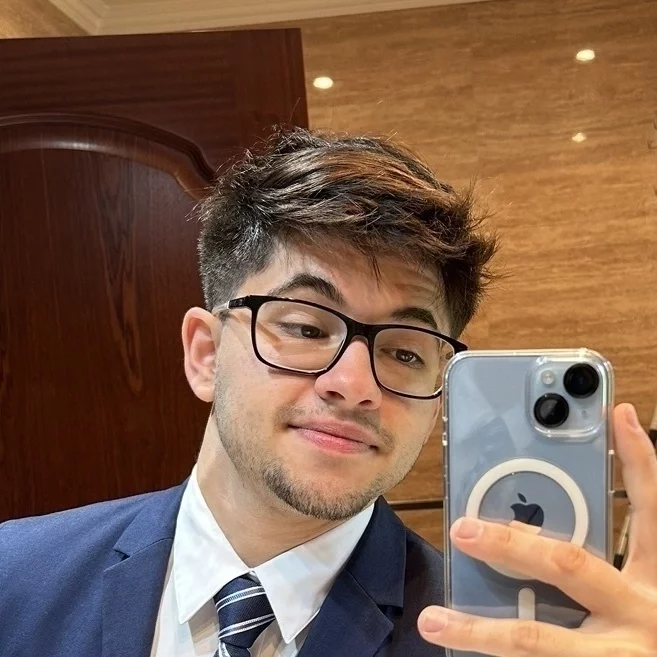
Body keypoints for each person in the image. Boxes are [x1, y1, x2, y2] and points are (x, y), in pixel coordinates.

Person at [0, 127, 655, 657]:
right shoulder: (15, 579)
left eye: (404, 352)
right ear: (205, 353)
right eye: (307, 328)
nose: (354, 385)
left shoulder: (484, 643)